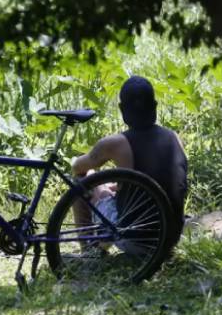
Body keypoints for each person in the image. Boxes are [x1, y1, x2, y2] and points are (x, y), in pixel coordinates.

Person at [71, 75, 188, 249]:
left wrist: (99, 183)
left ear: (121, 109)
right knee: (108, 187)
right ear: (155, 107)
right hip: (170, 238)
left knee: (84, 179)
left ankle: (90, 250)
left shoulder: (115, 143)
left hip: (135, 240)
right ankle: (95, 248)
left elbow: (77, 167)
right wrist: (119, 186)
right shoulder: (174, 138)